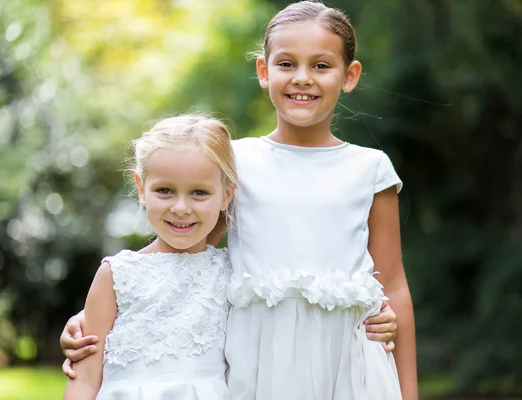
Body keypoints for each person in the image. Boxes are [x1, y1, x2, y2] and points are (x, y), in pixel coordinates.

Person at [61, 1, 415, 399]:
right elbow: (183, 257)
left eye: (320, 65)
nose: (302, 78)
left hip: (348, 355)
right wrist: (95, 317)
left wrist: (407, 390)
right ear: (263, 71)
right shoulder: (234, 162)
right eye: (286, 64)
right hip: (259, 356)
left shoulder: (370, 168)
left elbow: (395, 285)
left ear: (349, 76)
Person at [63, 115, 237, 399]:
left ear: (226, 195)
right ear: (142, 188)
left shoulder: (231, 270)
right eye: (165, 191)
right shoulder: (117, 275)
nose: (181, 207)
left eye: (199, 193)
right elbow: (83, 379)